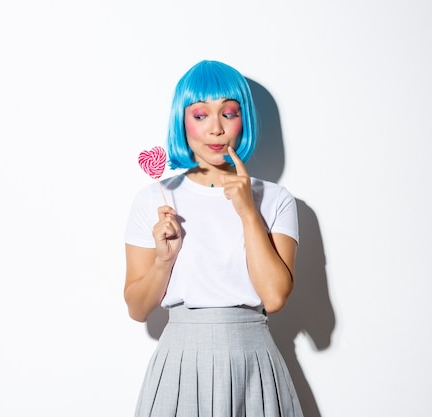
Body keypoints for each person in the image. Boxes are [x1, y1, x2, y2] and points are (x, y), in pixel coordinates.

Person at [124, 60, 303, 417]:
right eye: (201, 115)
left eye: (229, 113)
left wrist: (248, 212)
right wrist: (164, 259)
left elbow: (275, 296)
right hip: (180, 361)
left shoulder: (276, 198)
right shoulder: (155, 198)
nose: (216, 129)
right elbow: (137, 308)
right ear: (182, 121)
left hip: (253, 359)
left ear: (244, 119)